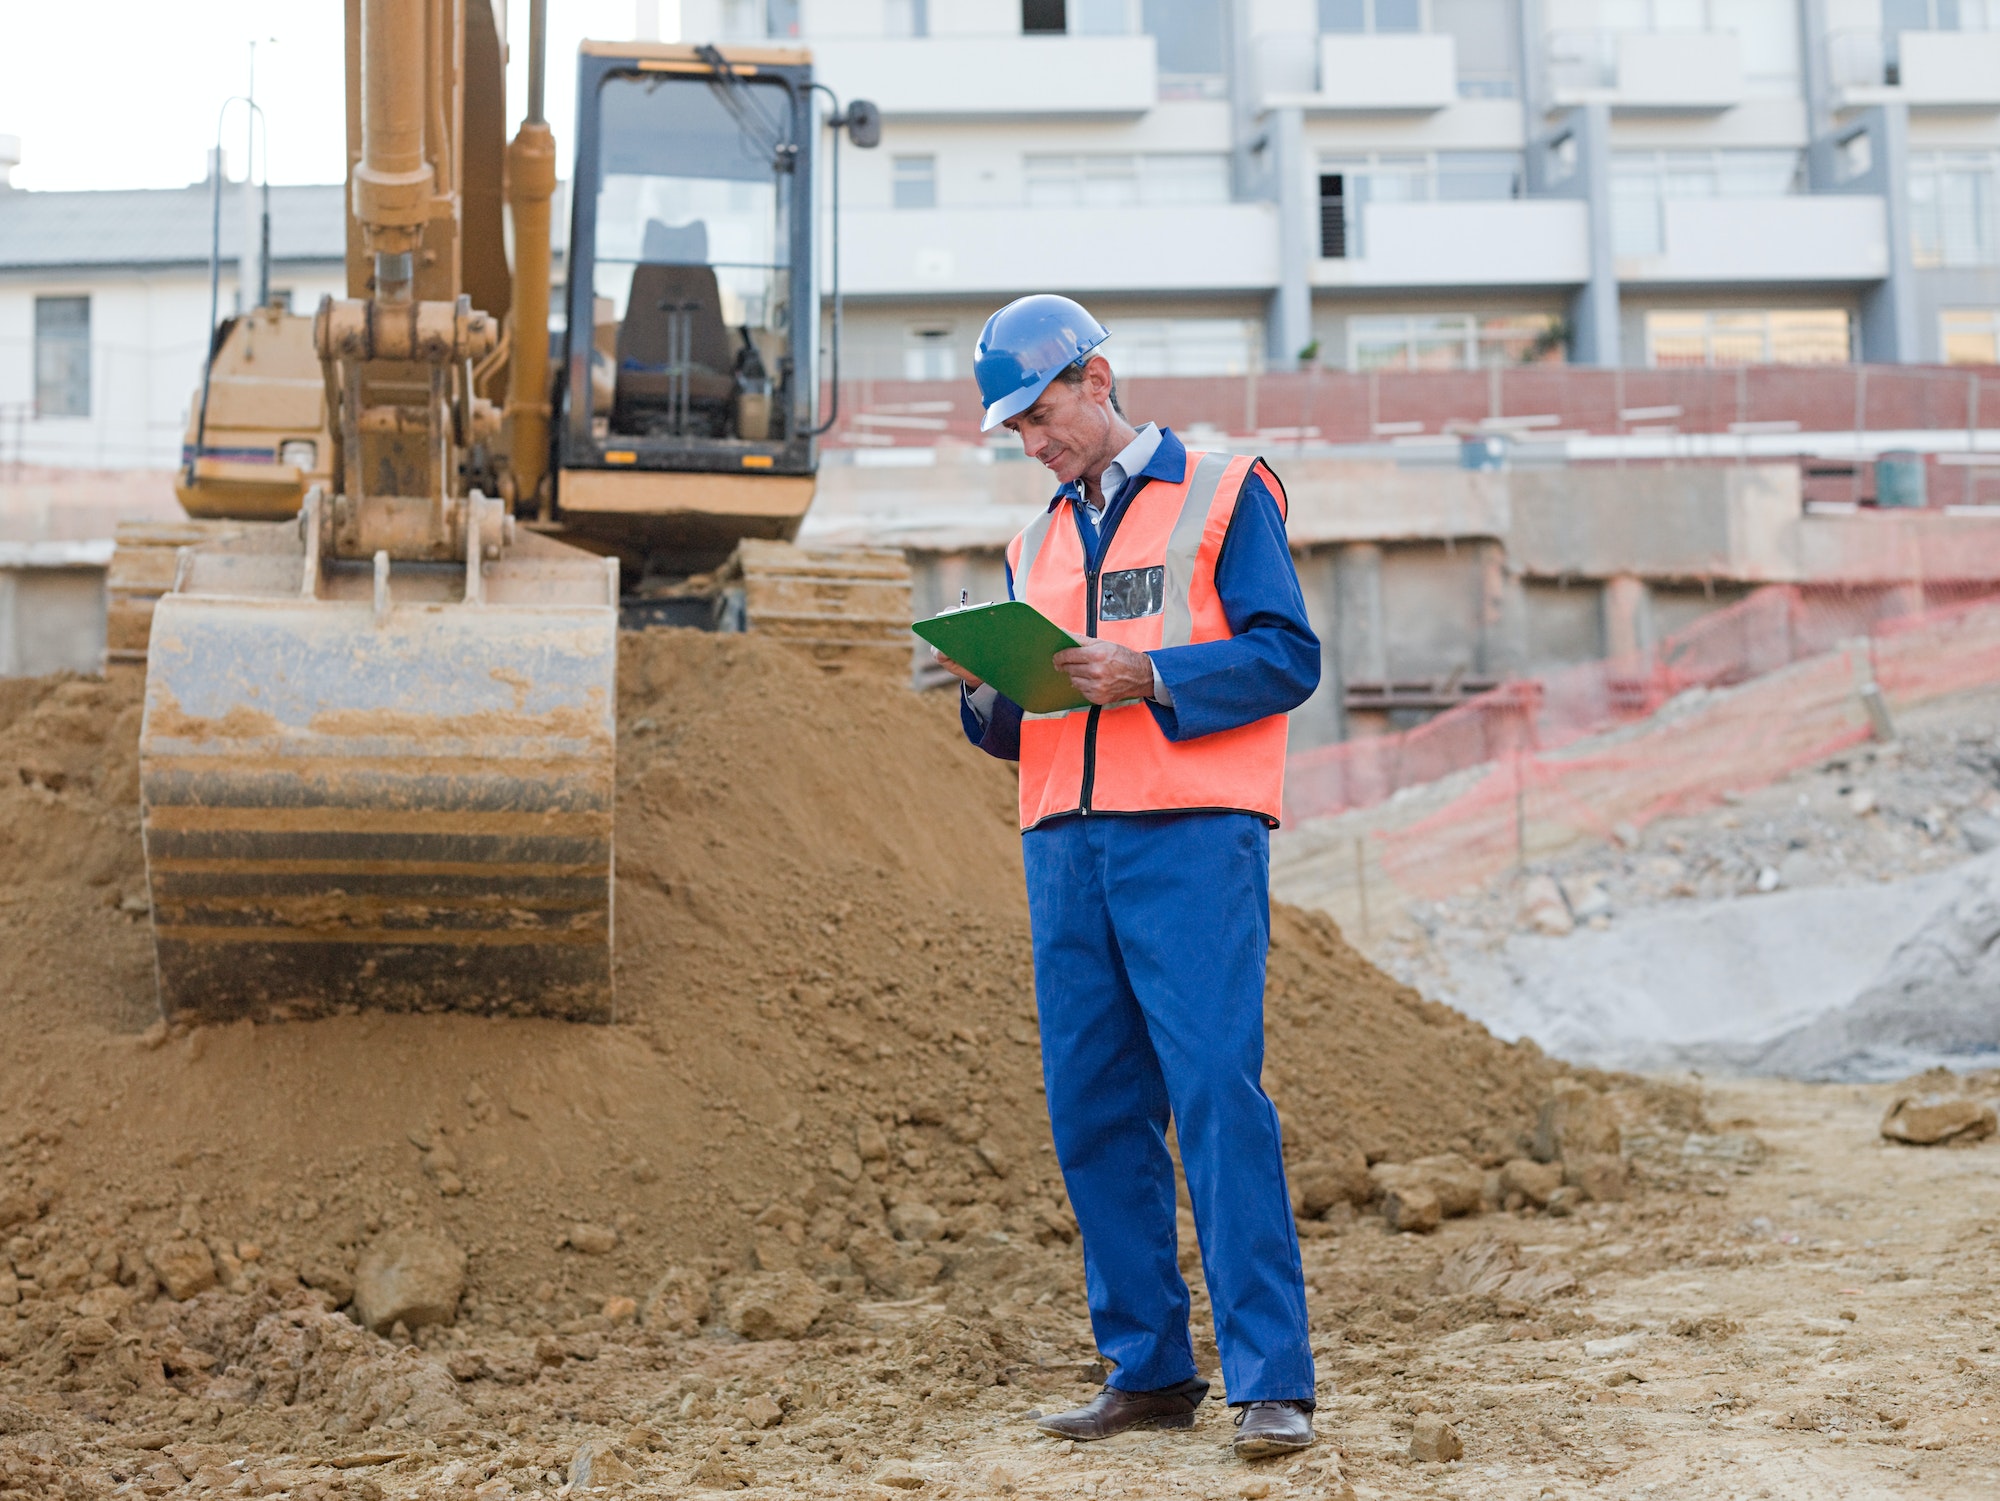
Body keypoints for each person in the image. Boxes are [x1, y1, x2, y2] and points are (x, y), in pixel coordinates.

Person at [934, 295, 1322, 1459]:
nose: (1031, 442)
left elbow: (1284, 656)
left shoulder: (1221, 489)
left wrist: (1148, 677)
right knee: (1093, 1110)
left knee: (1212, 1092)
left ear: (1096, 378)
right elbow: (1030, 719)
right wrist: (977, 693)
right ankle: (1147, 1367)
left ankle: (1271, 1379)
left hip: (1189, 836)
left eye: (1040, 415)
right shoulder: (1034, 540)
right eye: (1013, 429)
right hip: (1063, 844)